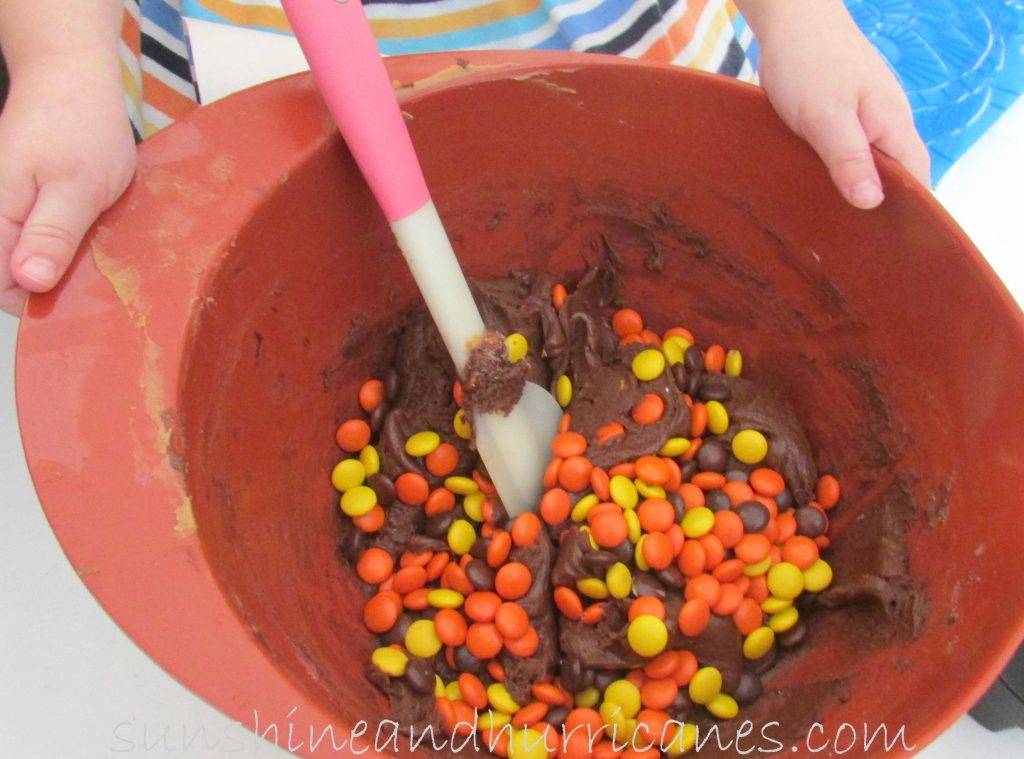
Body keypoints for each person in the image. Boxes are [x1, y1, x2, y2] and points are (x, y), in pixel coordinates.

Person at [0, 0, 930, 316]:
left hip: (604, 59)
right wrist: (59, 66)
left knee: (647, 255)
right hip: (248, 75)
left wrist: (806, 24)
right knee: (279, 268)